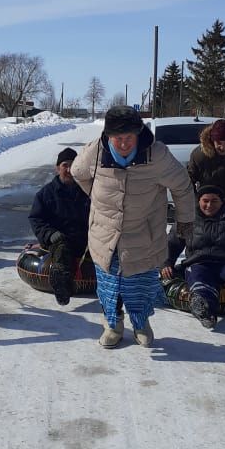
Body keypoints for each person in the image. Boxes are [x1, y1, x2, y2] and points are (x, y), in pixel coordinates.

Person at [71, 105, 195, 348]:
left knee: (140, 285)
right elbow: (78, 172)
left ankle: (140, 323)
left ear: (138, 133)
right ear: (108, 136)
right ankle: (113, 324)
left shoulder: (156, 155)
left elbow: (182, 186)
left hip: (143, 234)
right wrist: (98, 203)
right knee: (108, 285)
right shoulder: (95, 152)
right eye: (118, 138)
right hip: (105, 234)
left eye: (129, 137)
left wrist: (185, 221)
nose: (124, 143)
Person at [161, 184, 225, 330]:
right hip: (199, 263)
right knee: (198, 276)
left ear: (222, 202)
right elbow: (173, 243)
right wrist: (166, 262)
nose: (209, 205)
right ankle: (204, 308)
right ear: (198, 201)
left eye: (214, 201)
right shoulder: (188, 219)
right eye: (205, 200)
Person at [28, 147, 91, 305]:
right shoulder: (45, 194)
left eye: (73, 165)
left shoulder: (89, 191)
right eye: (65, 165)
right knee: (62, 248)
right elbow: (36, 219)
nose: (69, 169)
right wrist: (49, 234)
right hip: (60, 239)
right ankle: (61, 280)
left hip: (86, 239)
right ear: (58, 168)